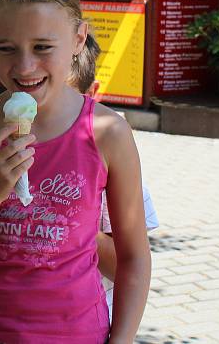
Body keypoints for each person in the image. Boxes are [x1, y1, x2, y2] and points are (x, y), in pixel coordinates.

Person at [0, 0, 151, 343]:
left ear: (78, 39)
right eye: (6, 49)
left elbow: (133, 259)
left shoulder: (108, 134)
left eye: (42, 47)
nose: (24, 66)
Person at [69, 40, 160, 320]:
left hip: (87, 321)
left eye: (65, 102)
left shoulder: (110, 168)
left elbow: (127, 266)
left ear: (92, 94)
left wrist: (71, 221)